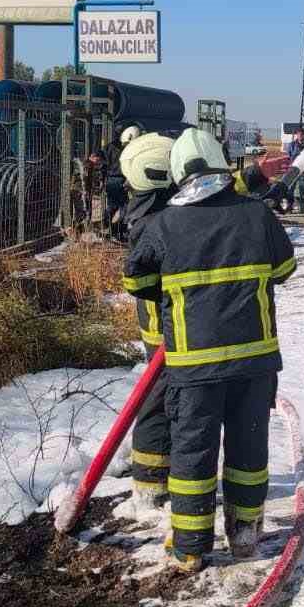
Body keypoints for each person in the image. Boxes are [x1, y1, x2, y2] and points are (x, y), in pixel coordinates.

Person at [124, 128, 297, 572]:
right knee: (249, 448)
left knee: (192, 453)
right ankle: (244, 535)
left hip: (192, 367)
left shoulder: (164, 225)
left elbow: (137, 282)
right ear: (223, 165)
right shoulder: (257, 216)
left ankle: (189, 548)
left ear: (178, 174)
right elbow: (285, 268)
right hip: (254, 363)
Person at [120, 132, 176, 507]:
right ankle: (151, 481)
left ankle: (157, 474)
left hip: (162, 324)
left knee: (164, 398)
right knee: (159, 400)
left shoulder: (147, 208)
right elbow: (138, 281)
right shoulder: (157, 221)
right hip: (165, 327)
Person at [287, 129, 304, 215]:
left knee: (302, 188)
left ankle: (303, 207)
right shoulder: (292, 145)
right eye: (298, 134)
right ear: (296, 135)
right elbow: (288, 157)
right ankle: (289, 208)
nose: (300, 136)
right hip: (293, 170)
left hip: (302, 170)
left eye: (301, 134)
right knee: (290, 189)